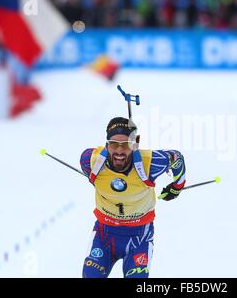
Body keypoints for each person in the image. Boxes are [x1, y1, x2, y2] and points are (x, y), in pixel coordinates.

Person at [80, 117, 186, 278]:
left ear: (135, 144)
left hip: (139, 237)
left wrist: (176, 187)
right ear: (107, 144)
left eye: (126, 144)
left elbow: (176, 158)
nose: (120, 151)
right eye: (114, 144)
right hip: (105, 234)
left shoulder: (150, 162)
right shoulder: (91, 161)